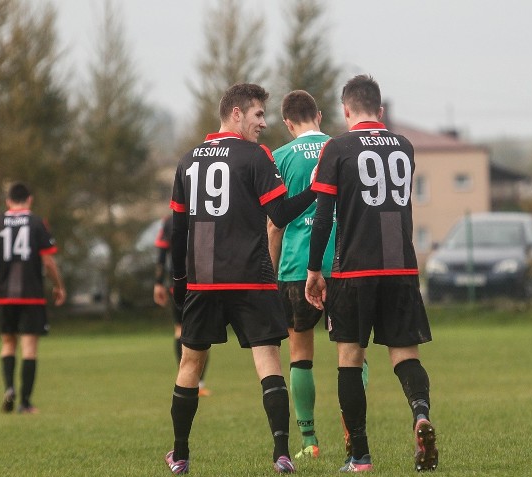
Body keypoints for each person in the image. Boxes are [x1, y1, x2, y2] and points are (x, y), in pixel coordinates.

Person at [164, 83, 317, 475]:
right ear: (237, 114)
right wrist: (316, 188)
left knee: (190, 363)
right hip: (252, 278)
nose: (263, 123)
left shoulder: (188, 160)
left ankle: (180, 455)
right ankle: (281, 453)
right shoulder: (255, 156)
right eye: (258, 115)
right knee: (268, 361)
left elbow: (179, 230)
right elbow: (280, 215)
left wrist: (179, 280)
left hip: (204, 281)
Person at [305, 75, 438, 472]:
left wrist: (315, 269)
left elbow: (323, 217)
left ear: (345, 110)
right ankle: (420, 414)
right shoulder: (404, 145)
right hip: (401, 267)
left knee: (350, 357)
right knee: (404, 354)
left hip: (354, 270)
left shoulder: (337, 148)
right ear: (380, 111)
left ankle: (359, 456)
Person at [267, 90, 370, 461]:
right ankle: (351, 429)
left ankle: (309, 439)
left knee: (299, 352)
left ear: (287, 123)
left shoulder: (279, 157)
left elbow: (274, 224)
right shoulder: (342, 149)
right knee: (352, 352)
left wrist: (272, 271)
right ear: (321, 116)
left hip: (297, 267)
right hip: (344, 263)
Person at [0, 182, 66, 414]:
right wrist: (58, 286)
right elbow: (47, 261)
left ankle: (9, 388)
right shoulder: (37, 223)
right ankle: (25, 402)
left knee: (7, 344)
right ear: (29, 200)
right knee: (29, 347)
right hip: (31, 295)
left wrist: (0, 266)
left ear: (8, 201)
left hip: (4, 295)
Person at [153, 215, 210, 396]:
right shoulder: (206, 214)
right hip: (204, 282)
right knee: (203, 332)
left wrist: (158, 283)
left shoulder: (169, 220)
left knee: (180, 330)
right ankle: (198, 383)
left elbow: (161, 254)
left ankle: (185, 380)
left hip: (178, 284)